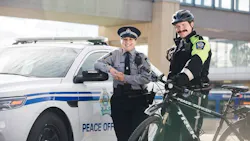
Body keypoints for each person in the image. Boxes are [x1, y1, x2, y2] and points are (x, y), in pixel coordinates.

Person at [94, 26, 152, 141]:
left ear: (135, 41)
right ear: (121, 41)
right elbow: (97, 63)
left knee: (139, 136)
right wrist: (110, 69)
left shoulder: (141, 57)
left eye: (131, 40)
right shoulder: (115, 55)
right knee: (122, 136)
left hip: (138, 100)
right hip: (119, 100)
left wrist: (124, 78)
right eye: (125, 39)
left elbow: (146, 78)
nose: (127, 42)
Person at [164, 9, 212, 141]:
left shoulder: (200, 42)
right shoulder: (178, 45)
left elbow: (196, 61)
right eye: (177, 27)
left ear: (192, 24)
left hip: (195, 93)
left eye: (183, 25)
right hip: (178, 92)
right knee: (170, 133)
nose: (180, 29)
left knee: (188, 136)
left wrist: (183, 78)